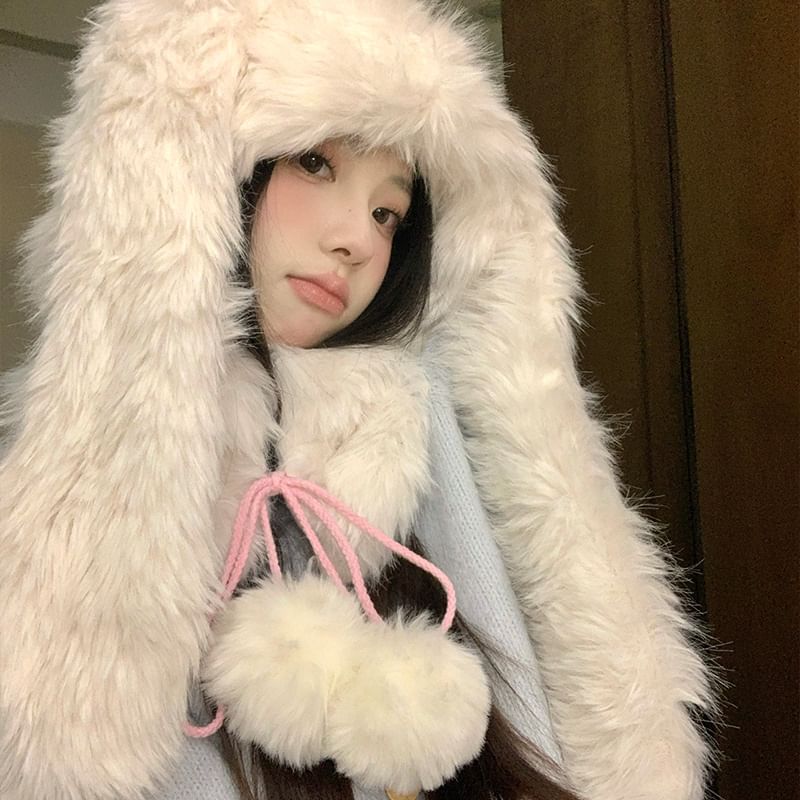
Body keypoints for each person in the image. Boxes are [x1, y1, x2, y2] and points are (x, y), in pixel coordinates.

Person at [0, 1, 717, 799]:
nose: (359, 240)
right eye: (314, 163)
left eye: (388, 214)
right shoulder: (48, 518)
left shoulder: (419, 431)